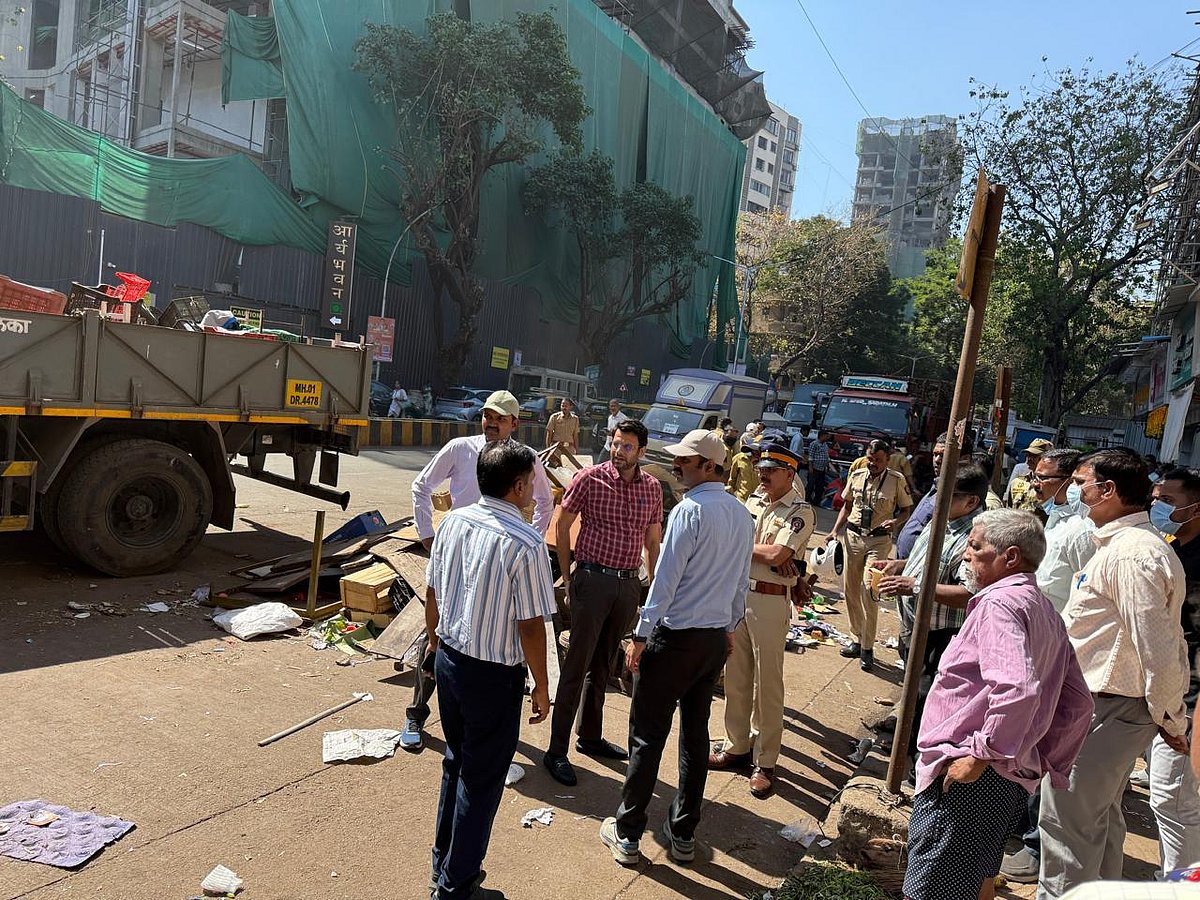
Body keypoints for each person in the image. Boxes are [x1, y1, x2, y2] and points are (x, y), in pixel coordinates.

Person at [904, 509, 1093, 900]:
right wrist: (1039, 759)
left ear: (1009, 557)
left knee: (933, 889)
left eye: (974, 547)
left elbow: (1018, 689)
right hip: (1009, 774)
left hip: (975, 770)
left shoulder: (1000, 605)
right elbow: (1076, 704)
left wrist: (982, 755)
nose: (964, 556)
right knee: (977, 881)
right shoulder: (1042, 609)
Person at [1039, 450, 1191, 899]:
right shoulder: (1123, 547)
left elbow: (1160, 648)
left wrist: (1171, 717)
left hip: (1105, 707)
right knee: (1096, 824)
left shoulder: (1131, 555)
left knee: (1066, 830)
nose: (1074, 490)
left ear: (1107, 491)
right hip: (1105, 706)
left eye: (1081, 482)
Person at [598, 429, 753, 867]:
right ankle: (683, 831)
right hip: (711, 641)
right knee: (694, 735)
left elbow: (665, 580)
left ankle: (628, 833)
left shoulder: (690, 511)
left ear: (710, 466)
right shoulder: (742, 517)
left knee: (647, 736)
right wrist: (729, 629)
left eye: (686, 461)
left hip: (675, 639)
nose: (677, 466)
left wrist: (642, 635)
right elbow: (740, 584)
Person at [424, 440, 557, 900]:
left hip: (451, 662)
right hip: (492, 676)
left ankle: (445, 865)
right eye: (530, 484)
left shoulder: (454, 522)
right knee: (480, 783)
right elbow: (532, 626)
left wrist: (436, 641)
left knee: (456, 764)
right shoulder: (526, 541)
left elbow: (432, 592)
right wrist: (542, 686)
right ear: (519, 486)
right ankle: (457, 885)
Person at [405, 391, 553, 751]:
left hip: (499, 560)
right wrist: (427, 534)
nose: (491, 423)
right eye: (487, 416)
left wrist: (529, 538)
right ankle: (415, 713)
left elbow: (546, 502)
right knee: (437, 632)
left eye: (500, 418)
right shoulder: (461, 449)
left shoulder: (526, 459)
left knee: (497, 642)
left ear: (515, 423)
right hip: (458, 552)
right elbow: (421, 485)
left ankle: (488, 726)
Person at [544, 419, 663, 787]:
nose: (618, 451)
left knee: (605, 665)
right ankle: (556, 750)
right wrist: (567, 575)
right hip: (592, 581)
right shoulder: (590, 478)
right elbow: (562, 524)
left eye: (627, 446)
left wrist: (652, 590)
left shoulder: (652, 488)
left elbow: (652, 542)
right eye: (615, 444)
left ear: (641, 452)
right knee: (576, 665)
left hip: (627, 586)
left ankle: (590, 737)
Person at [1000, 449, 1097, 884]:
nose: (1035, 482)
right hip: (1037, 640)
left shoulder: (1083, 531)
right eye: (1036, 476)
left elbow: (1081, 595)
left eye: (1046, 477)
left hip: (1058, 649)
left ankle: (1036, 848)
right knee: (1026, 741)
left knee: (1045, 747)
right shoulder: (1048, 521)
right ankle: (1021, 832)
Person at [709, 443, 815, 798]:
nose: (764, 475)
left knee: (768, 683)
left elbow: (778, 554)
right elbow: (760, 551)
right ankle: (737, 745)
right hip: (739, 594)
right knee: (736, 677)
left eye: (772, 470)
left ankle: (765, 760)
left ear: (790, 474)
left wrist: (752, 548)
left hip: (770, 601)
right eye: (762, 468)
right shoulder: (752, 503)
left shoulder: (800, 511)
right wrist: (765, 554)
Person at [1146, 468, 1200, 876]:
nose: (1158, 505)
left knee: (1174, 799)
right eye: (1156, 496)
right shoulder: (1173, 547)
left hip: (1189, 700)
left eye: (1170, 499)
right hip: (1167, 692)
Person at [830, 439, 913, 670]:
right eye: (870, 458)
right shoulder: (856, 475)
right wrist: (835, 530)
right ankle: (856, 638)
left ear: (888, 460)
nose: (872, 463)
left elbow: (906, 510)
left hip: (878, 540)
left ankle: (867, 647)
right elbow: (847, 506)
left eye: (878, 460)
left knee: (870, 589)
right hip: (854, 537)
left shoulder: (896, 480)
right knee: (850, 589)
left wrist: (895, 521)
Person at [895, 434, 947, 561]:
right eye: (935, 454)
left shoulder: (952, 496)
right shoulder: (935, 487)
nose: (937, 460)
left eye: (943, 455)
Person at [1004, 438, 1054, 510]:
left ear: (1048, 460)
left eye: (1034, 456)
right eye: (1028, 455)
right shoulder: (1018, 482)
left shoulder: (1052, 487)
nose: (1029, 459)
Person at [726, 438, 762, 502]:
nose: (755, 453)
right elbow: (732, 478)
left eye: (757, 451)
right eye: (753, 451)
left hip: (757, 499)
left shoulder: (763, 461)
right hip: (741, 498)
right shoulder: (739, 458)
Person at [598, 399, 629, 463]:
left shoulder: (623, 418)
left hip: (617, 448)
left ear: (618, 407)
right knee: (599, 464)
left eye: (614, 406)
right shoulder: (610, 417)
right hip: (607, 447)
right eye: (611, 406)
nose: (612, 408)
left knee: (614, 467)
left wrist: (612, 433)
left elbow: (625, 434)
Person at [806, 429, 832, 505]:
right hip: (815, 468)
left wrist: (827, 466)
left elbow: (826, 456)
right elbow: (810, 457)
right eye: (826, 436)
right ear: (822, 436)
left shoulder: (825, 445)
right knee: (810, 485)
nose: (827, 438)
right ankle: (807, 499)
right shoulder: (814, 444)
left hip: (822, 469)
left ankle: (816, 501)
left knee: (820, 486)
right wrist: (810, 467)